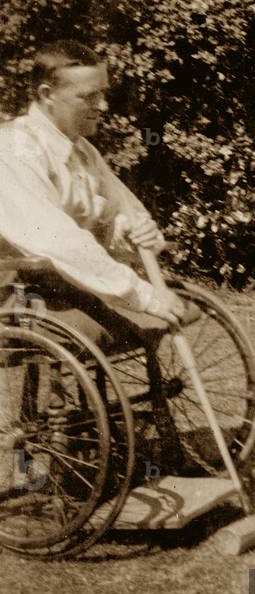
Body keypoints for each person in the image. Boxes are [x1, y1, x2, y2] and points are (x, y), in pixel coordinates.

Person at [0, 41, 187, 490]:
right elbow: (59, 241)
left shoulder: (81, 152)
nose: (103, 105)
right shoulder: (14, 151)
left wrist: (132, 232)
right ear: (47, 95)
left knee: (139, 313)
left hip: (55, 286)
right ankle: (76, 456)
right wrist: (141, 293)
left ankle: (106, 449)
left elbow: (115, 211)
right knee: (122, 314)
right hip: (11, 294)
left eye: (103, 93)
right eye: (89, 96)